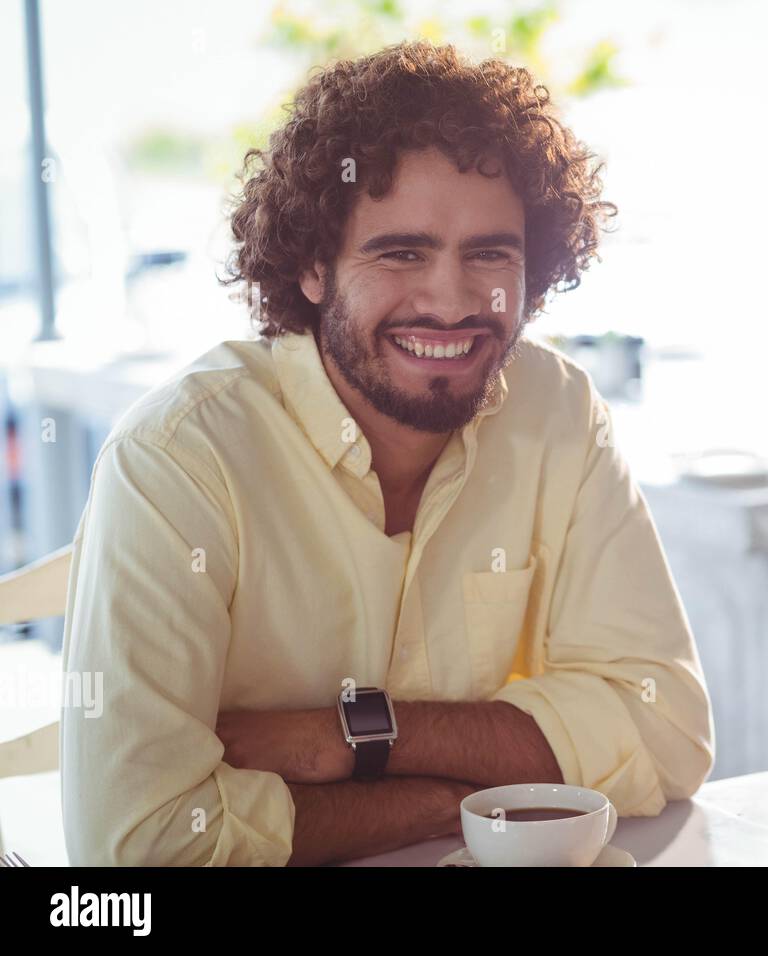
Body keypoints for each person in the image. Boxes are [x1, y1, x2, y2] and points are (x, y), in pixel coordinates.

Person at [60, 40, 715, 866]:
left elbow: (666, 730)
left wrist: (353, 740)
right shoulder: (179, 458)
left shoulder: (557, 411)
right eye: (400, 252)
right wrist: (452, 801)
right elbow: (141, 843)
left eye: (490, 254)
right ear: (311, 267)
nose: (451, 302)